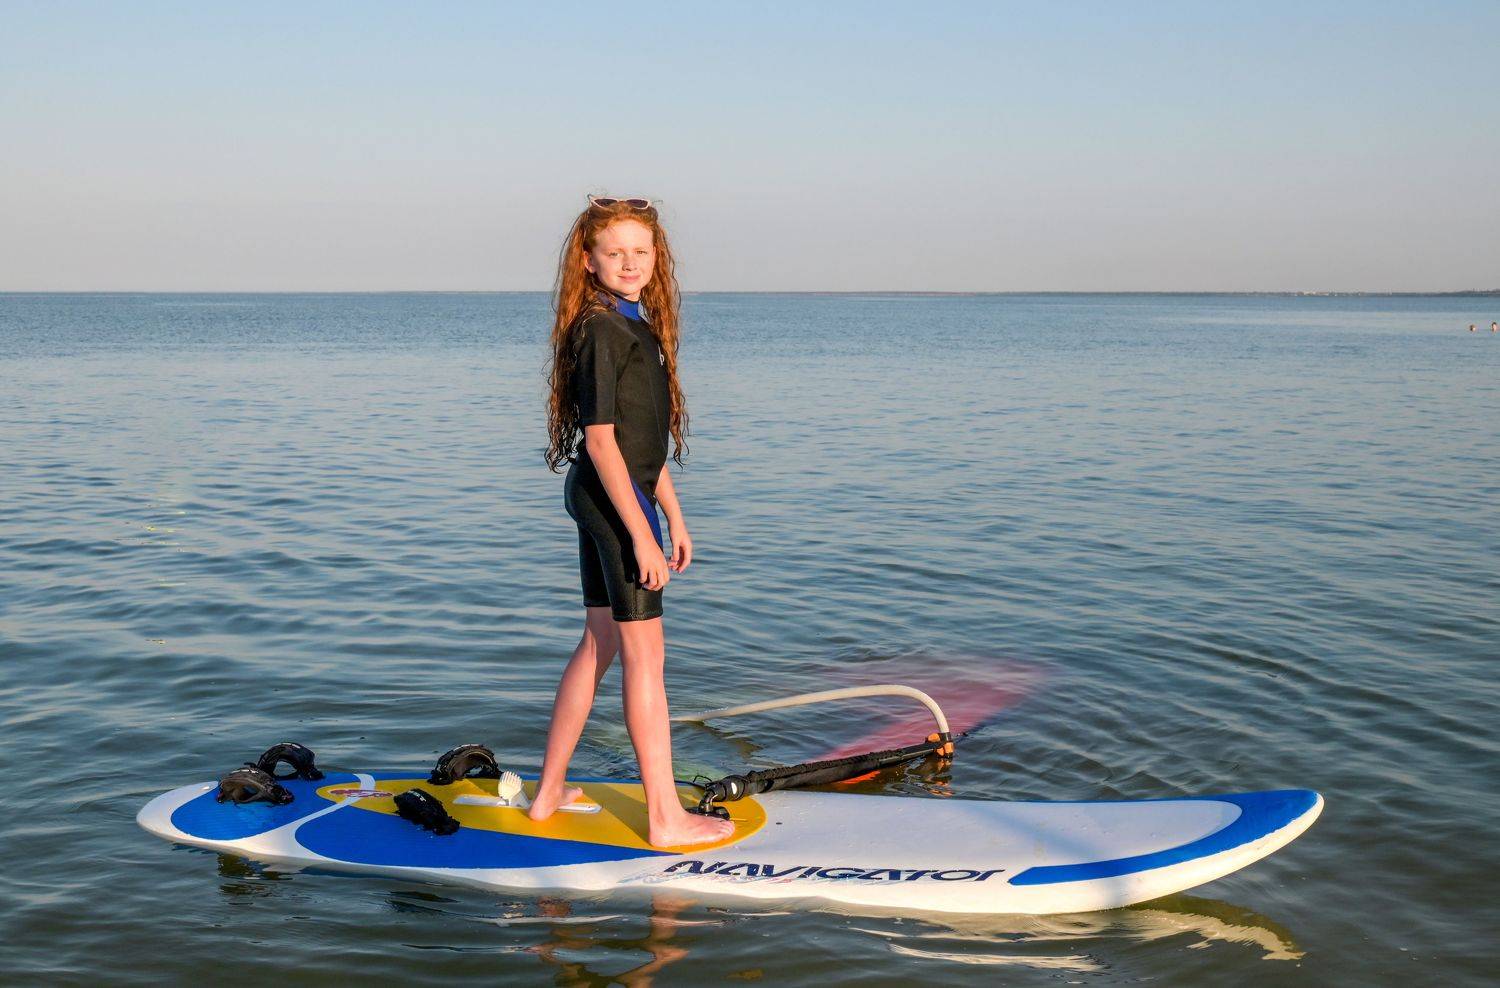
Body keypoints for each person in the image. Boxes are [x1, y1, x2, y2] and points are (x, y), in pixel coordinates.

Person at [532, 195, 735, 847]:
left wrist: (674, 515)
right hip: (612, 501)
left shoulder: (634, 325)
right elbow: (601, 442)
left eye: (640, 251)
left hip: (614, 497)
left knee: (600, 641)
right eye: (614, 252)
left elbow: (642, 443)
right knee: (647, 657)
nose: (629, 262)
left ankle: (547, 796)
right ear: (588, 261)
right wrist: (641, 536)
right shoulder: (600, 330)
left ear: (656, 257)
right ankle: (665, 818)